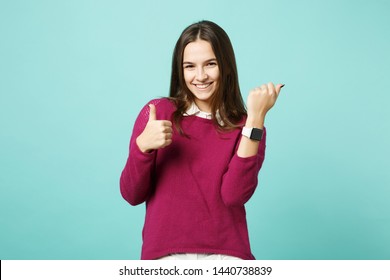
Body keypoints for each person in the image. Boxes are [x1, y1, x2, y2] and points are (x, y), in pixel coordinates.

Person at [120, 20, 284, 260]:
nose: (200, 76)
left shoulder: (247, 126)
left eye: (210, 64)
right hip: (164, 258)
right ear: (180, 70)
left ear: (225, 66)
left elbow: (234, 195)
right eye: (189, 66)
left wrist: (256, 118)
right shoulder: (157, 112)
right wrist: (142, 147)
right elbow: (131, 194)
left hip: (227, 258)